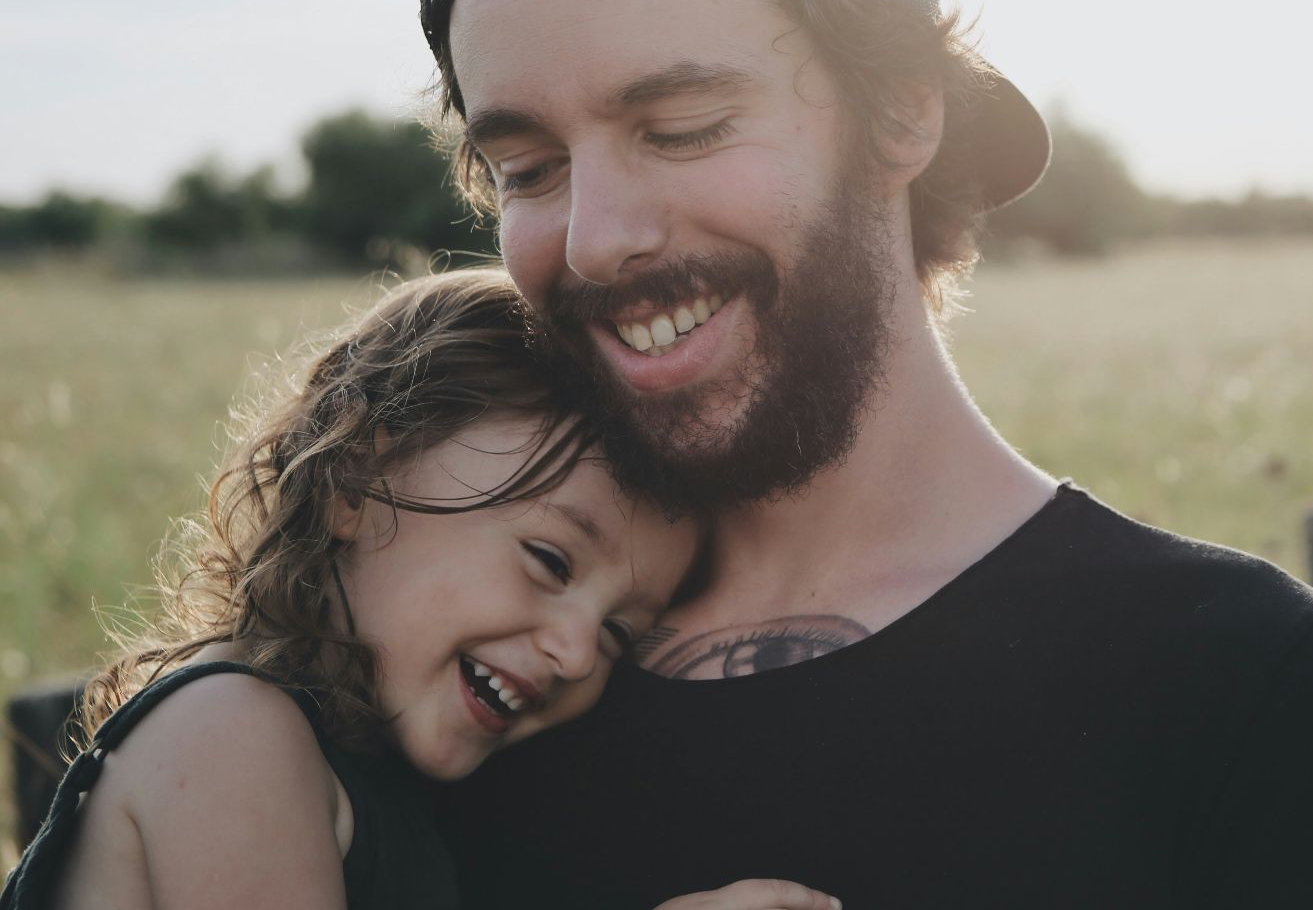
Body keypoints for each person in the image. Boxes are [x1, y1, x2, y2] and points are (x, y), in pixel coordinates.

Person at [423, 0, 1313, 905]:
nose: (594, 241)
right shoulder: (461, 669)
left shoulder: (1232, 683)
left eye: (683, 128)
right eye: (528, 168)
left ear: (902, 114)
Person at [1, 270, 839, 910]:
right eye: (549, 561)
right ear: (356, 478)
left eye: (620, 633)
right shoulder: (232, 734)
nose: (578, 650)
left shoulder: (375, 777)